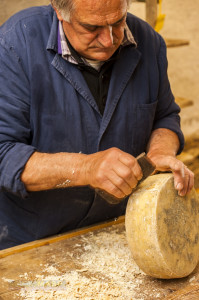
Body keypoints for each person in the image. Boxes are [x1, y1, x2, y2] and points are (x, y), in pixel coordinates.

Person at [0, 0, 194, 250]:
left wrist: (160, 153)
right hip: (33, 240)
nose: (109, 40)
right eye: (92, 28)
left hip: (117, 232)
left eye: (118, 22)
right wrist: (85, 168)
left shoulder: (149, 41)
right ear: (60, 12)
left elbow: (165, 117)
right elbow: (3, 153)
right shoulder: (14, 45)